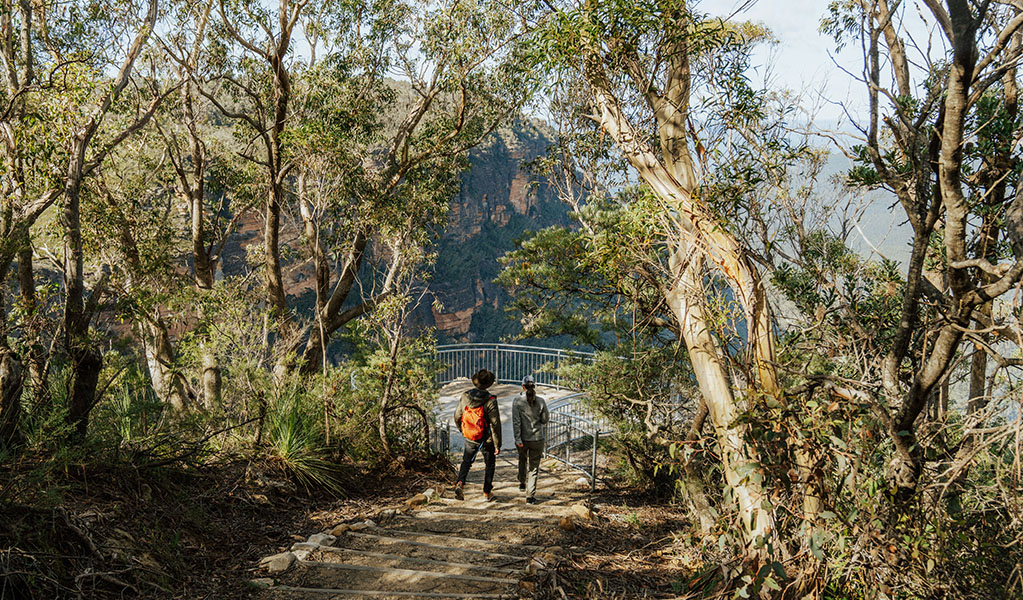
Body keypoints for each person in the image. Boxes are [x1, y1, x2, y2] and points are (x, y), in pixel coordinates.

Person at [453, 368, 501, 501]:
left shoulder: (465, 396)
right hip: (486, 439)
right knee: (489, 464)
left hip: (470, 436)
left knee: (466, 462)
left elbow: (457, 415)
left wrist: (463, 430)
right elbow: (495, 424)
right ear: (488, 384)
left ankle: (460, 483)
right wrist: (498, 444)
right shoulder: (490, 400)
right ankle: (487, 492)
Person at [513, 375, 548, 504]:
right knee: (534, 468)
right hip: (537, 438)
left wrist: (517, 438)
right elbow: (545, 420)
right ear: (534, 386)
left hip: (522, 438)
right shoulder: (541, 401)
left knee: (522, 459)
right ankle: (530, 496)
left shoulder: (517, 401)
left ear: (522, 387)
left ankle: (522, 482)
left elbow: (516, 422)